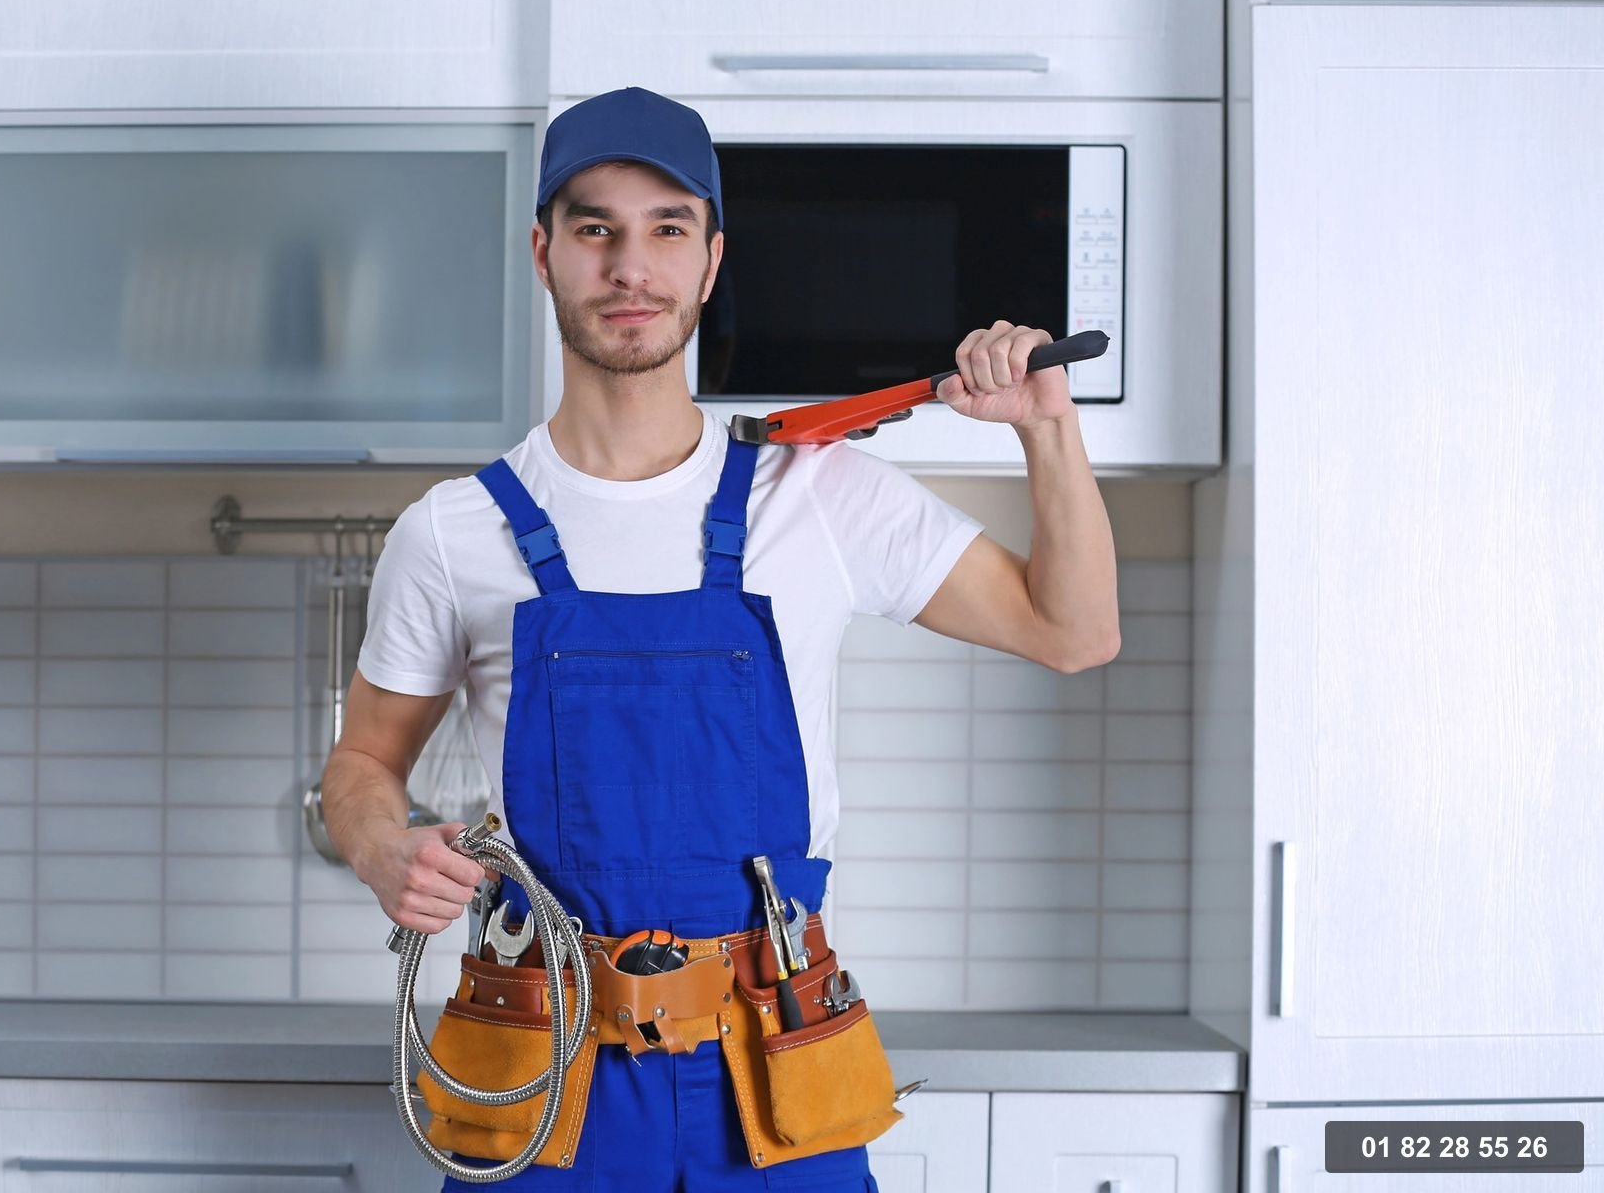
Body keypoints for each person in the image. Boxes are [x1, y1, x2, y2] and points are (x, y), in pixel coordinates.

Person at [321, 86, 1120, 1190]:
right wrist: (379, 849)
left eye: (668, 229)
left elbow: (1074, 630)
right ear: (544, 253)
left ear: (710, 261)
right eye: (595, 228)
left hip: (776, 1068)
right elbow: (363, 762)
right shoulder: (453, 531)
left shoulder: (821, 494)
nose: (630, 267)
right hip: (545, 1071)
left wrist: (1048, 429)